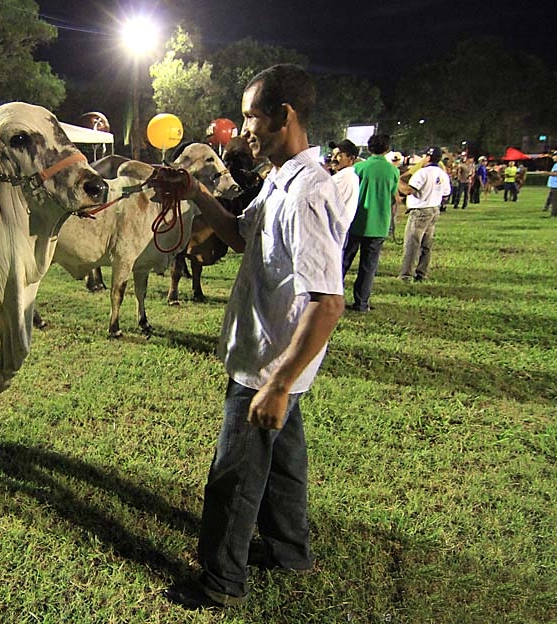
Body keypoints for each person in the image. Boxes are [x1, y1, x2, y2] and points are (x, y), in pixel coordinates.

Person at [157, 63, 347, 610]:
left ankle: (220, 581)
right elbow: (241, 237)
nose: (242, 131)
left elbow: (328, 302)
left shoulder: (306, 194)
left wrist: (279, 383)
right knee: (283, 460)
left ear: (283, 117)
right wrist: (193, 191)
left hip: (268, 363)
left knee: (234, 476)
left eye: (250, 118)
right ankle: (289, 548)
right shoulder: (281, 181)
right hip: (274, 358)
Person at [342, 133, 399, 313]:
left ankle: (330, 297)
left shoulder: (359, 167)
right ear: (387, 149)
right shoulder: (393, 171)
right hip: (379, 224)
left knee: (343, 262)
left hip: (356, 221)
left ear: (368, 148)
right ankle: (362, 303)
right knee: (368, 267)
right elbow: (393, 197)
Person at [398, 147, 451, 282]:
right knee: (426, 245)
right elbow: (446, 194)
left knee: (412, 243)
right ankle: (422, 273)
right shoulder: (442, 174)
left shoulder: (423, 173)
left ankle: (406, 275)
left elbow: (410, 190)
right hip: (434, 209)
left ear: (427, 157)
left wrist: (397, 181)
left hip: (420, 210)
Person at [328, 138, 361, 225]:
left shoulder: (344, 178)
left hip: (333, 231)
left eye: (339, 155)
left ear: (351, 159)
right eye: (333, 154)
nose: (333, 158)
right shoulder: (349, 176)